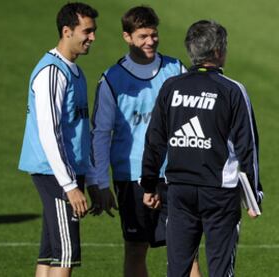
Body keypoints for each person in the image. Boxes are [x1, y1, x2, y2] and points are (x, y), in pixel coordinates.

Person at [141, 19, 263, 277]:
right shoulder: (232, 90)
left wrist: (149, 184)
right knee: (220, 270)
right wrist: (254, 195)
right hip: (219, 193)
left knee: (178, 269)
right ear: (218, 52)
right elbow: (247, 146)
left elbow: (155, 139)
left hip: (179, 190)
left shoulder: (170, 86)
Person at [86, 6, 200, 277]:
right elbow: (101, 133)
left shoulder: (176, 69)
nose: (150, 41)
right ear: (127, 37)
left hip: (175, 174)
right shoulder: (111, 79)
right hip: (132, 177)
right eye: (143, 36)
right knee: (136, 249)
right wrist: (99, 182)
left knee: (188, 252)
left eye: (154, 35)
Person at [18, 2, 98, 277]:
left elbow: (78, 130)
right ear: (67, 31)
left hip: (66, 171)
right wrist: (69, 186)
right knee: (66, 253)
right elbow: (49, 132)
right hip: (55, 173)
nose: (92, 38)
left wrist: (92, 177)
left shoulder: (74, 71)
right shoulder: (52, 73)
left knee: (51, 250)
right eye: (87, 31)